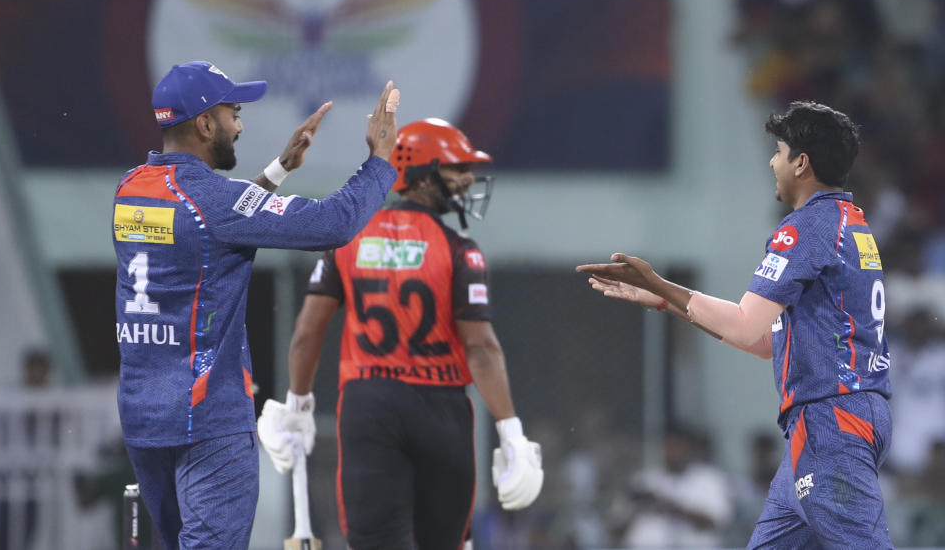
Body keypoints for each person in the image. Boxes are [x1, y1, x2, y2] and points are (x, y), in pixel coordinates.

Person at [577, 101, 893, 548]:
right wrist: (670, 303)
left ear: (802, 163)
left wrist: (661, 283)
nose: (771, 161)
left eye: (779, 151)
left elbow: (745, 326)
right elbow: (766, 341)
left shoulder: (805, 228)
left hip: (830, 420)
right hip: (837, 417)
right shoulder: (853, 226)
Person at [112, 60, 400, 550]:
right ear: (205, 124)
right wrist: (380, 161)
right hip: (208, 422)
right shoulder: (214, 203)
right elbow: (334, 225)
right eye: (234, 112)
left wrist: (278, 170)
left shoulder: (130, 189)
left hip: (145, 420)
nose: (240, 125)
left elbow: (209, 227)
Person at [257, 118, 544, 550]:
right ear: (421, 174)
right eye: (456, 169)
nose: (468, 180)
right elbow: (481, 347)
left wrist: (297, 404)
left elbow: (306, 333)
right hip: (441, 410)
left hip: (368, 406)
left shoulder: (348, 238)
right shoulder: (459, 249)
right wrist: (511, 432)